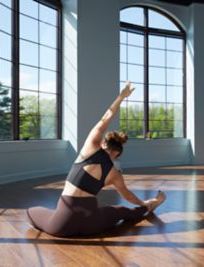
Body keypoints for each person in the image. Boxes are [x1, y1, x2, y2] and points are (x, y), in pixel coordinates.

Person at [27, 81, 166, 237]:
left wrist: (122, 96)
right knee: (121, 211)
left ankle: (56, 215)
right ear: (118, 153)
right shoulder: (115, 174)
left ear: (104, 142)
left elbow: (106, 117)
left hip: (61, 225)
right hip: (92, 223)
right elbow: (128, 196)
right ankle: (150, 206)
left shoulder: (91, 146)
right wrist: (143, 203)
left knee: (30, 212)